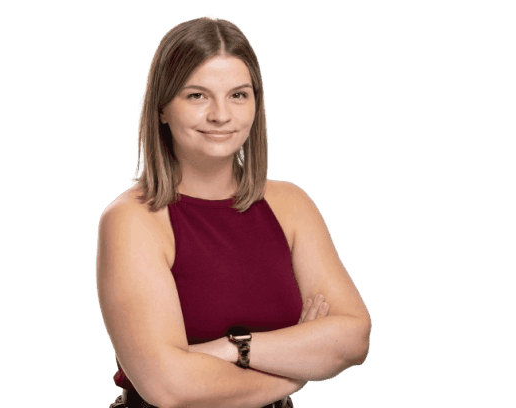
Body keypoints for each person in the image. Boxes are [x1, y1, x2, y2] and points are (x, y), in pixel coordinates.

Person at [95, 15, 371, 408]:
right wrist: (294, 372)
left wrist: (232, 349)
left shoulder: (291, 205)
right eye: (197, 96)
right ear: (162, 108)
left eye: (238, 95)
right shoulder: (131, 219)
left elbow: (354, 337)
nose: (221, 115)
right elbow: (167, 387)